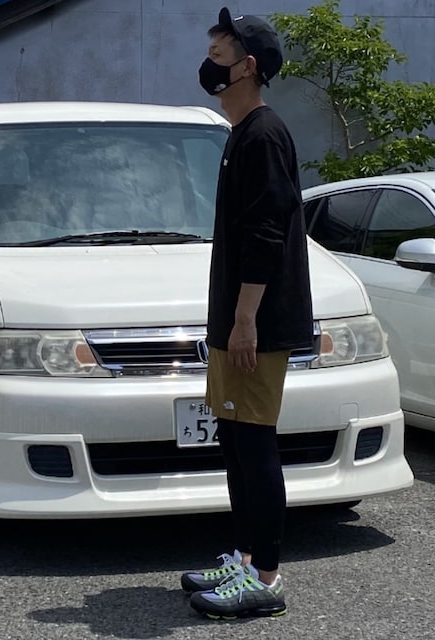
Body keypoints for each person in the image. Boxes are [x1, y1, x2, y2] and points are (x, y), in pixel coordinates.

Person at [180, 7, 314, 620]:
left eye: (217, 55)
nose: (208, 65)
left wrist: (244, 321)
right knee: (234, 441)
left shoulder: (263, 135)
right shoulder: (242, 134)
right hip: (237, 321)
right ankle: (244, 558)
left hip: (255, 325)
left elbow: (266, 234)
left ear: (247, 67)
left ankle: (265, 578)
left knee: (254, 444)